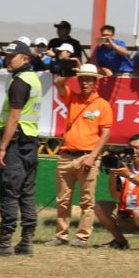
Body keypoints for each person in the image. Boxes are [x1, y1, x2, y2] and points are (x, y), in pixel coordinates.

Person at [0, 41, 43, 257]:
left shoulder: (19, 82)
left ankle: (4, 243)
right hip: (31, 141)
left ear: (25, 59)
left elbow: (14, 116)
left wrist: (2, 148)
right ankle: (26, 241)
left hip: (16, 143)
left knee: (10, 191)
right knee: (27, 192)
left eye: (12, 56)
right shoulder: (34, 79)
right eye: (7, 56)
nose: (7, 60)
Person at [53, 63, 113, 246]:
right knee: (63, 199)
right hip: (66, 155)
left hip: (88, 157)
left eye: (89, 79)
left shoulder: (103, 105)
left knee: (87, 200)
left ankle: (82, 236)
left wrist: (93, 156)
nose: (85, 83)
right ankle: (61, 235)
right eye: (82, 79)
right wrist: (72, 71)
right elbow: (58, 83)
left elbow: (106, 133)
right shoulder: (73, 98)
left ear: (95, 82)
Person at [93, 133, 139, 250]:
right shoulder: (126, 166)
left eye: (137, 148)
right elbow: (115, 194)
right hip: (128, 214)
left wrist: (130, 175)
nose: (133, 152)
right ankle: (120, 241)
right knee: (98, 206)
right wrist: (113, 176)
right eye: (131, 148)